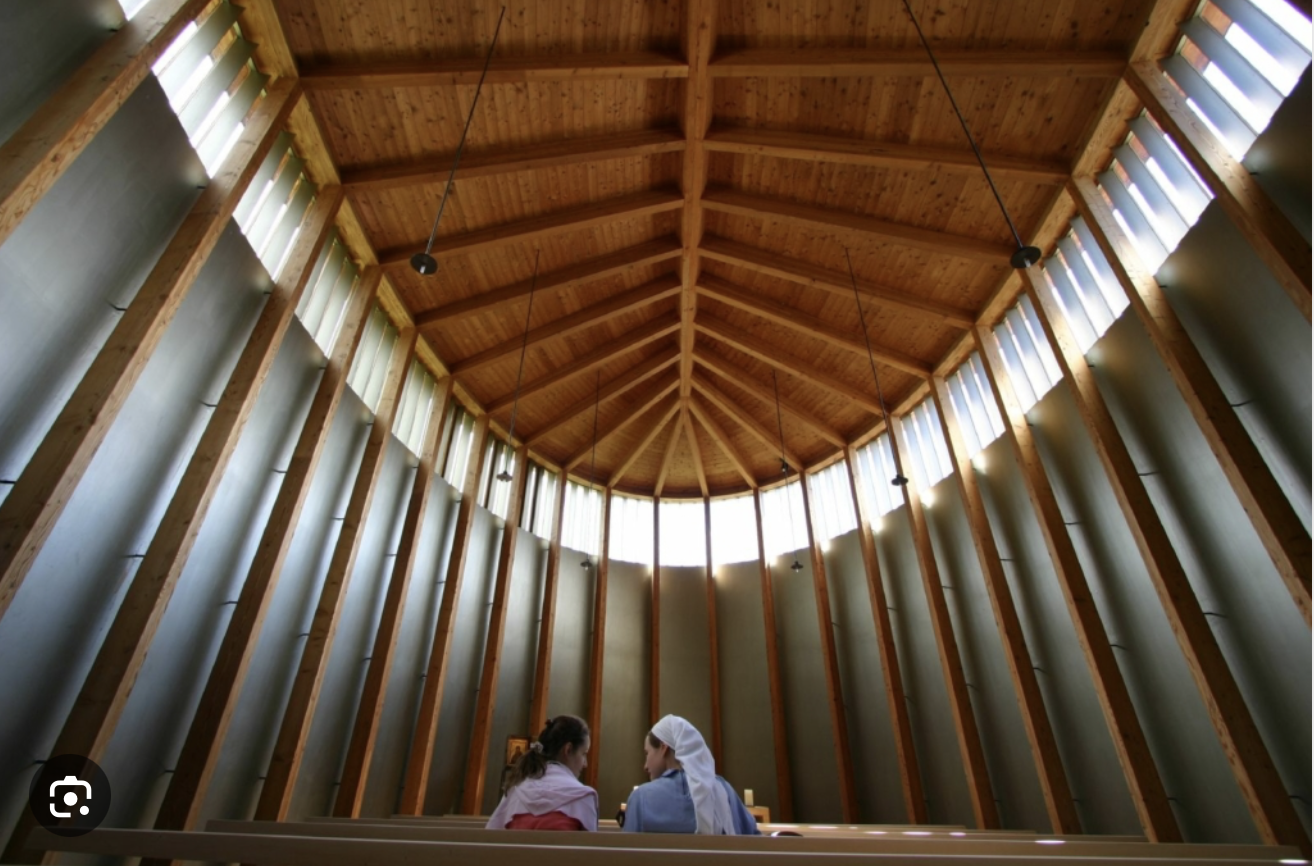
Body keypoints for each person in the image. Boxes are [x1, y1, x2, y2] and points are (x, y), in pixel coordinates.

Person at [622, 714, 760, 835]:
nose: (645, 766)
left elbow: (626, 854)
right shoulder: (724, 790)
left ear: (663, 748)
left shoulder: (641, 798)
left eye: (647, 753)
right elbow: (756, 843)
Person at [486, 715, 598, 831]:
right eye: (584, 753)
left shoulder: (516, 790)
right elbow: (589, 847)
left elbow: (490, 837)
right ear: (568, 750)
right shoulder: (583, 796)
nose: (585, 764)